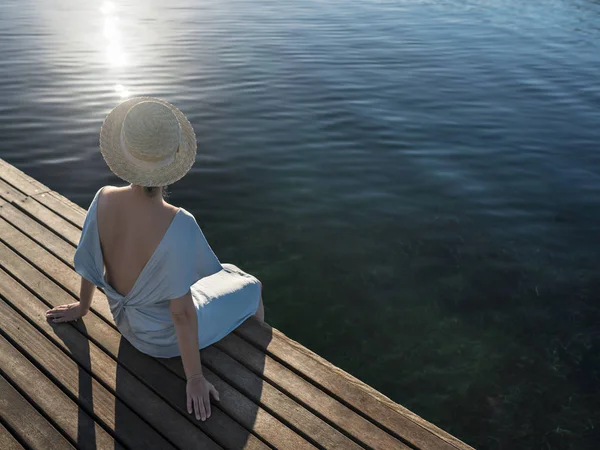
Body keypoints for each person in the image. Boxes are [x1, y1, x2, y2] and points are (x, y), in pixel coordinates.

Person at [45, 96, 264, 423]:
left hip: (126, 324)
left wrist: (82, 308)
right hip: (160, 339)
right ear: (174, 161)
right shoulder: (179, 223)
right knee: (252, 286)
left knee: (228, 271)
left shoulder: (103, 198)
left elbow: (89, 261)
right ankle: (257, 346)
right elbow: (182, 315)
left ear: (125, 154)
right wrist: (194, 378)